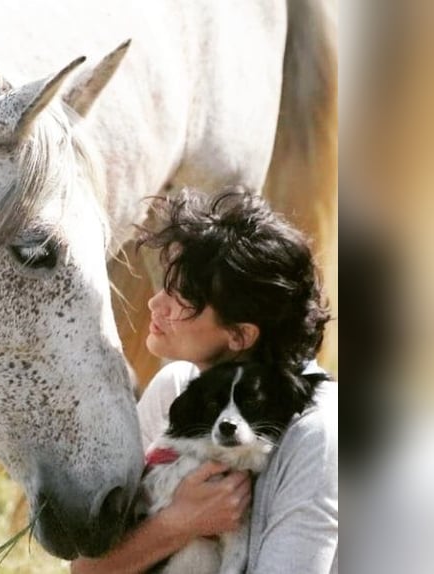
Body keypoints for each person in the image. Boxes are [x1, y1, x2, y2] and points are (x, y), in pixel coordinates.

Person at [70, 187, 337, 574]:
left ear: (240, 335)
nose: (155, 303)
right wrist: (179, 523)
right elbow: (86, 570)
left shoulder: (316, 435)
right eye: (166, 286)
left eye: (183, 298)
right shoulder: (176, 389)